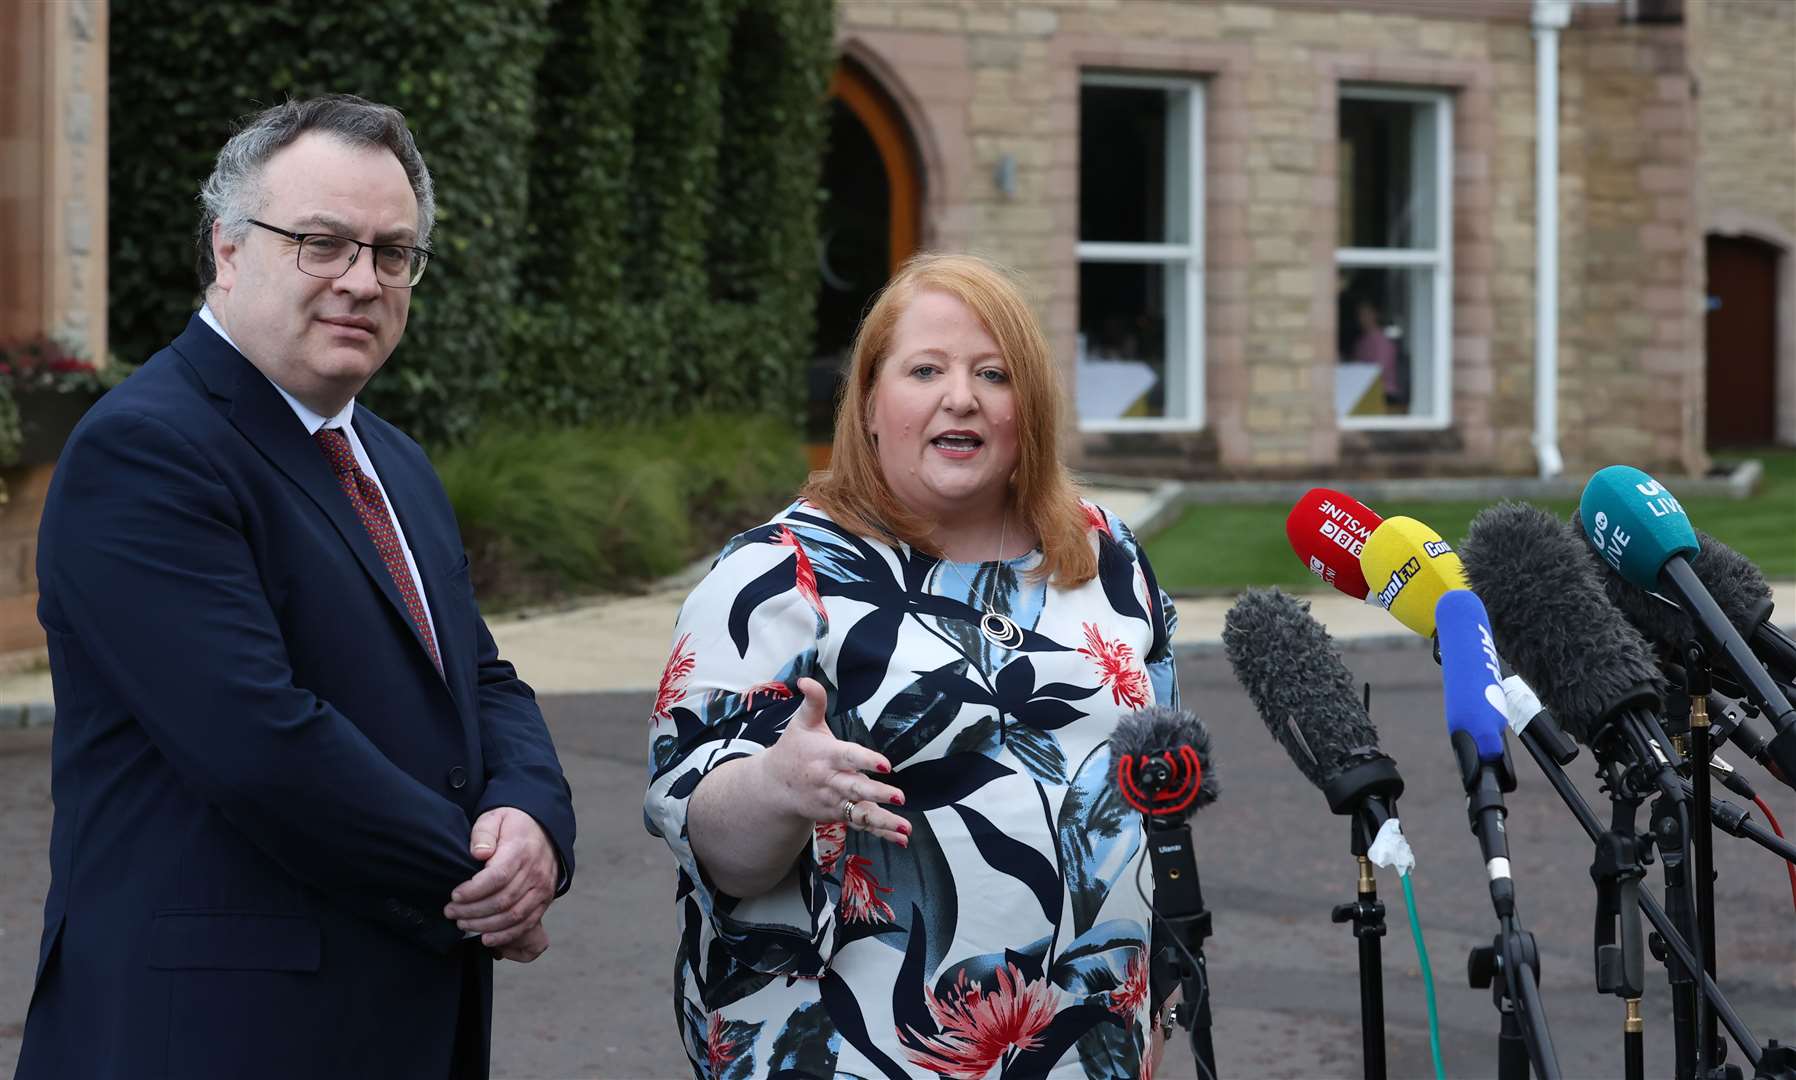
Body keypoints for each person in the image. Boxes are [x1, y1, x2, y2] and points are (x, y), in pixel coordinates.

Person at [16, 95, 576, 1080]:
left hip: (392, 1022)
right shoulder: (147, 450)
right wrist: (481, 882)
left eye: (391, 252)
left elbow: (479, 681)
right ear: (228, 250)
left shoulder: (391, 460)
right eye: (322, 243)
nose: (362, 280)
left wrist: (533, 822)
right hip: (216, 1034)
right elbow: (259, 741)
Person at [645, 253, 1180, 1079]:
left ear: (1026, 407)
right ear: (867, 404)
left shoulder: (1104, 554)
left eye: (992, 374)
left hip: (1087, 1046)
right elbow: (717, 850)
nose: (959, 396)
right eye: (925, 369)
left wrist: (1163, 981)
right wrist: (781, 785)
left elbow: (1159, 788)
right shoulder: (772, 577)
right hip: (853, 1051)